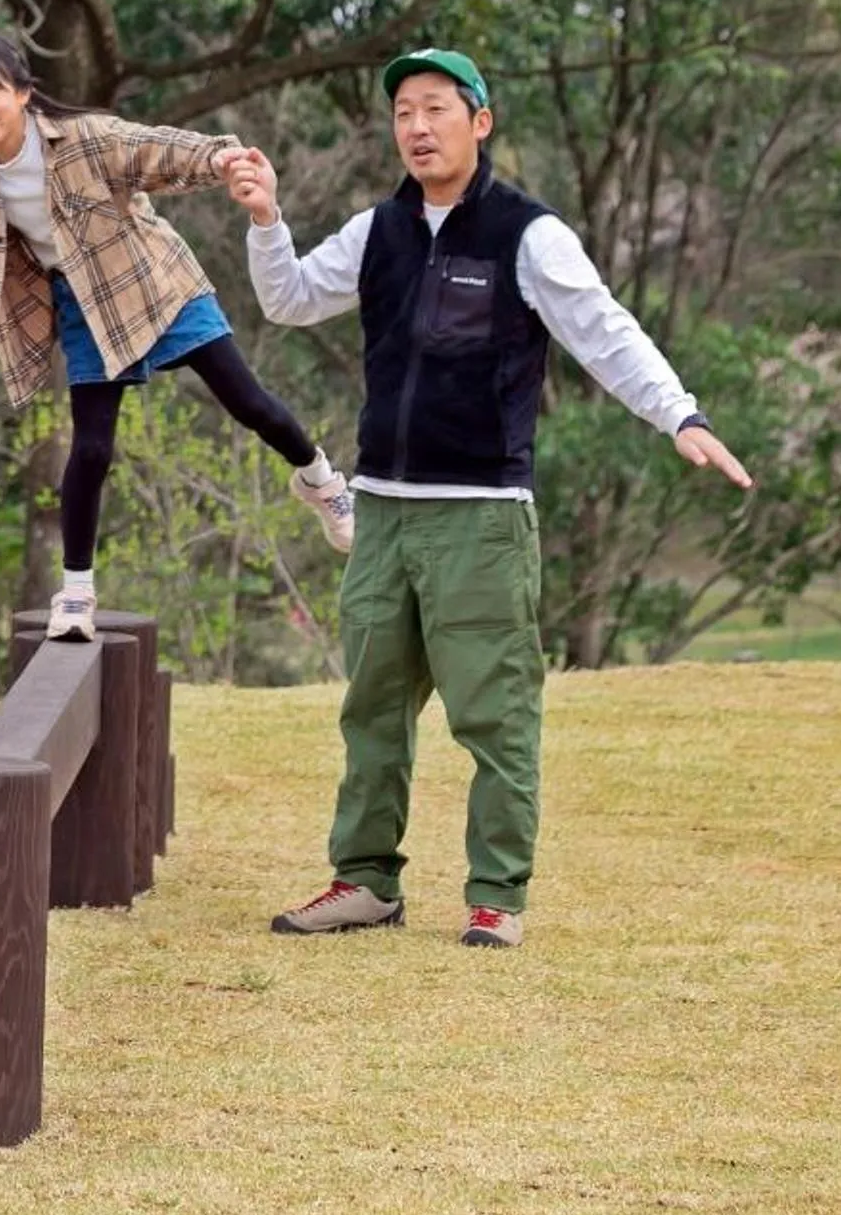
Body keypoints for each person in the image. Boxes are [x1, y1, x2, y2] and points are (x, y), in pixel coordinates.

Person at [233, 48, 752, 950]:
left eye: (436, 108)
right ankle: (365, 882)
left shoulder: (528, 234)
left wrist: (680, 414)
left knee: (494, 714)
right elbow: (289, 299)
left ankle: (496, 896)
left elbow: (605, 332)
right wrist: (266, 219)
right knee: (371, 711)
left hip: (481, 512)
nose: (418, 127)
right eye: (404, 111)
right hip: (381, 512)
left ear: (480, 121)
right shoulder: (377, 230)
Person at [0, 32, 355, 641]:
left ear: (23, 93)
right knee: (91, 450)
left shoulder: (84, 139)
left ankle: (321, 480)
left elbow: (155, 150)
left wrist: (222, 159)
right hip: (85, 305)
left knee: (248, 401)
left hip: (156, 283)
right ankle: (76, 593)